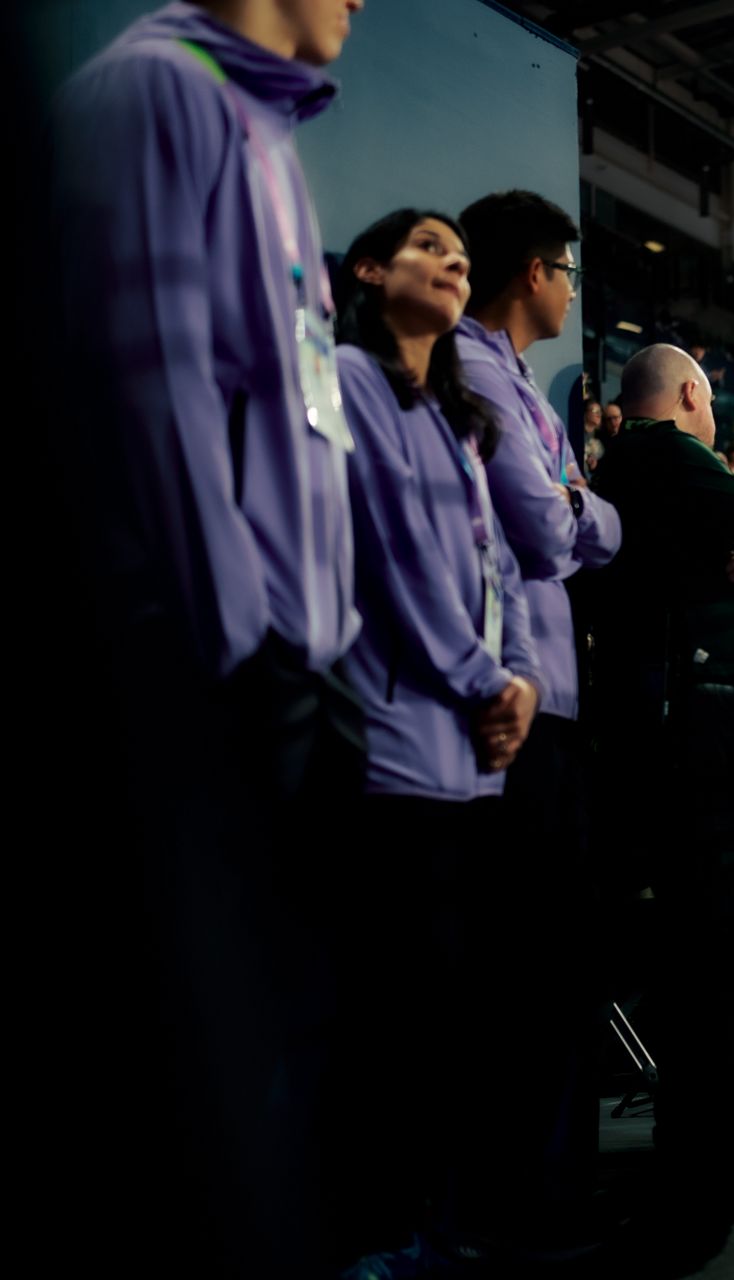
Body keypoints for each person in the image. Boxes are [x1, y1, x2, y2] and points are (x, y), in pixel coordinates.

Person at [52, 3, 367, 1272]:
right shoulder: (155, 91)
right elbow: (155, 379)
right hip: (226, 653)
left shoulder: (263, 127)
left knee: (304, 1027)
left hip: (295, 649)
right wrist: (243, 641)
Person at [333, 208, 543, 1266]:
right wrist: (480, 678)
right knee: (391, 1012)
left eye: (461, 250)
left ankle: (441, 1228)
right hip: (391, 736)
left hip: (472, 746)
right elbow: (390, 553)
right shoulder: (352, 381)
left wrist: (519, 679)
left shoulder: (456, 411)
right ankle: (379, 1236)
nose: (452, 258)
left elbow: (496, 561)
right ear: (371, 270)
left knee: (449, 1011)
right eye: (426, 244)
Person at [583, 343, 734, 1211]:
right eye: (711, 403)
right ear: (689, 393)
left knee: (699, 944)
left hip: (661, 726)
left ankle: (696, 1140)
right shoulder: (668, 451)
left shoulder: (622, 471)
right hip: (700, 733)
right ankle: (720, 1151)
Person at [454, 188, 623, 1244]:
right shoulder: (474, 371)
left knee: (561, 963)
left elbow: (585, 518)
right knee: (530, 969)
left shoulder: (519, 383)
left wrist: (576, 504)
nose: (571, 288)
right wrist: (576, 504)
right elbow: (549, 524)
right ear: (533, 271)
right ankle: (527, 1204)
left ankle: (553, 1192)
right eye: (567, 270)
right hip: (520, 707)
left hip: (556, 705)